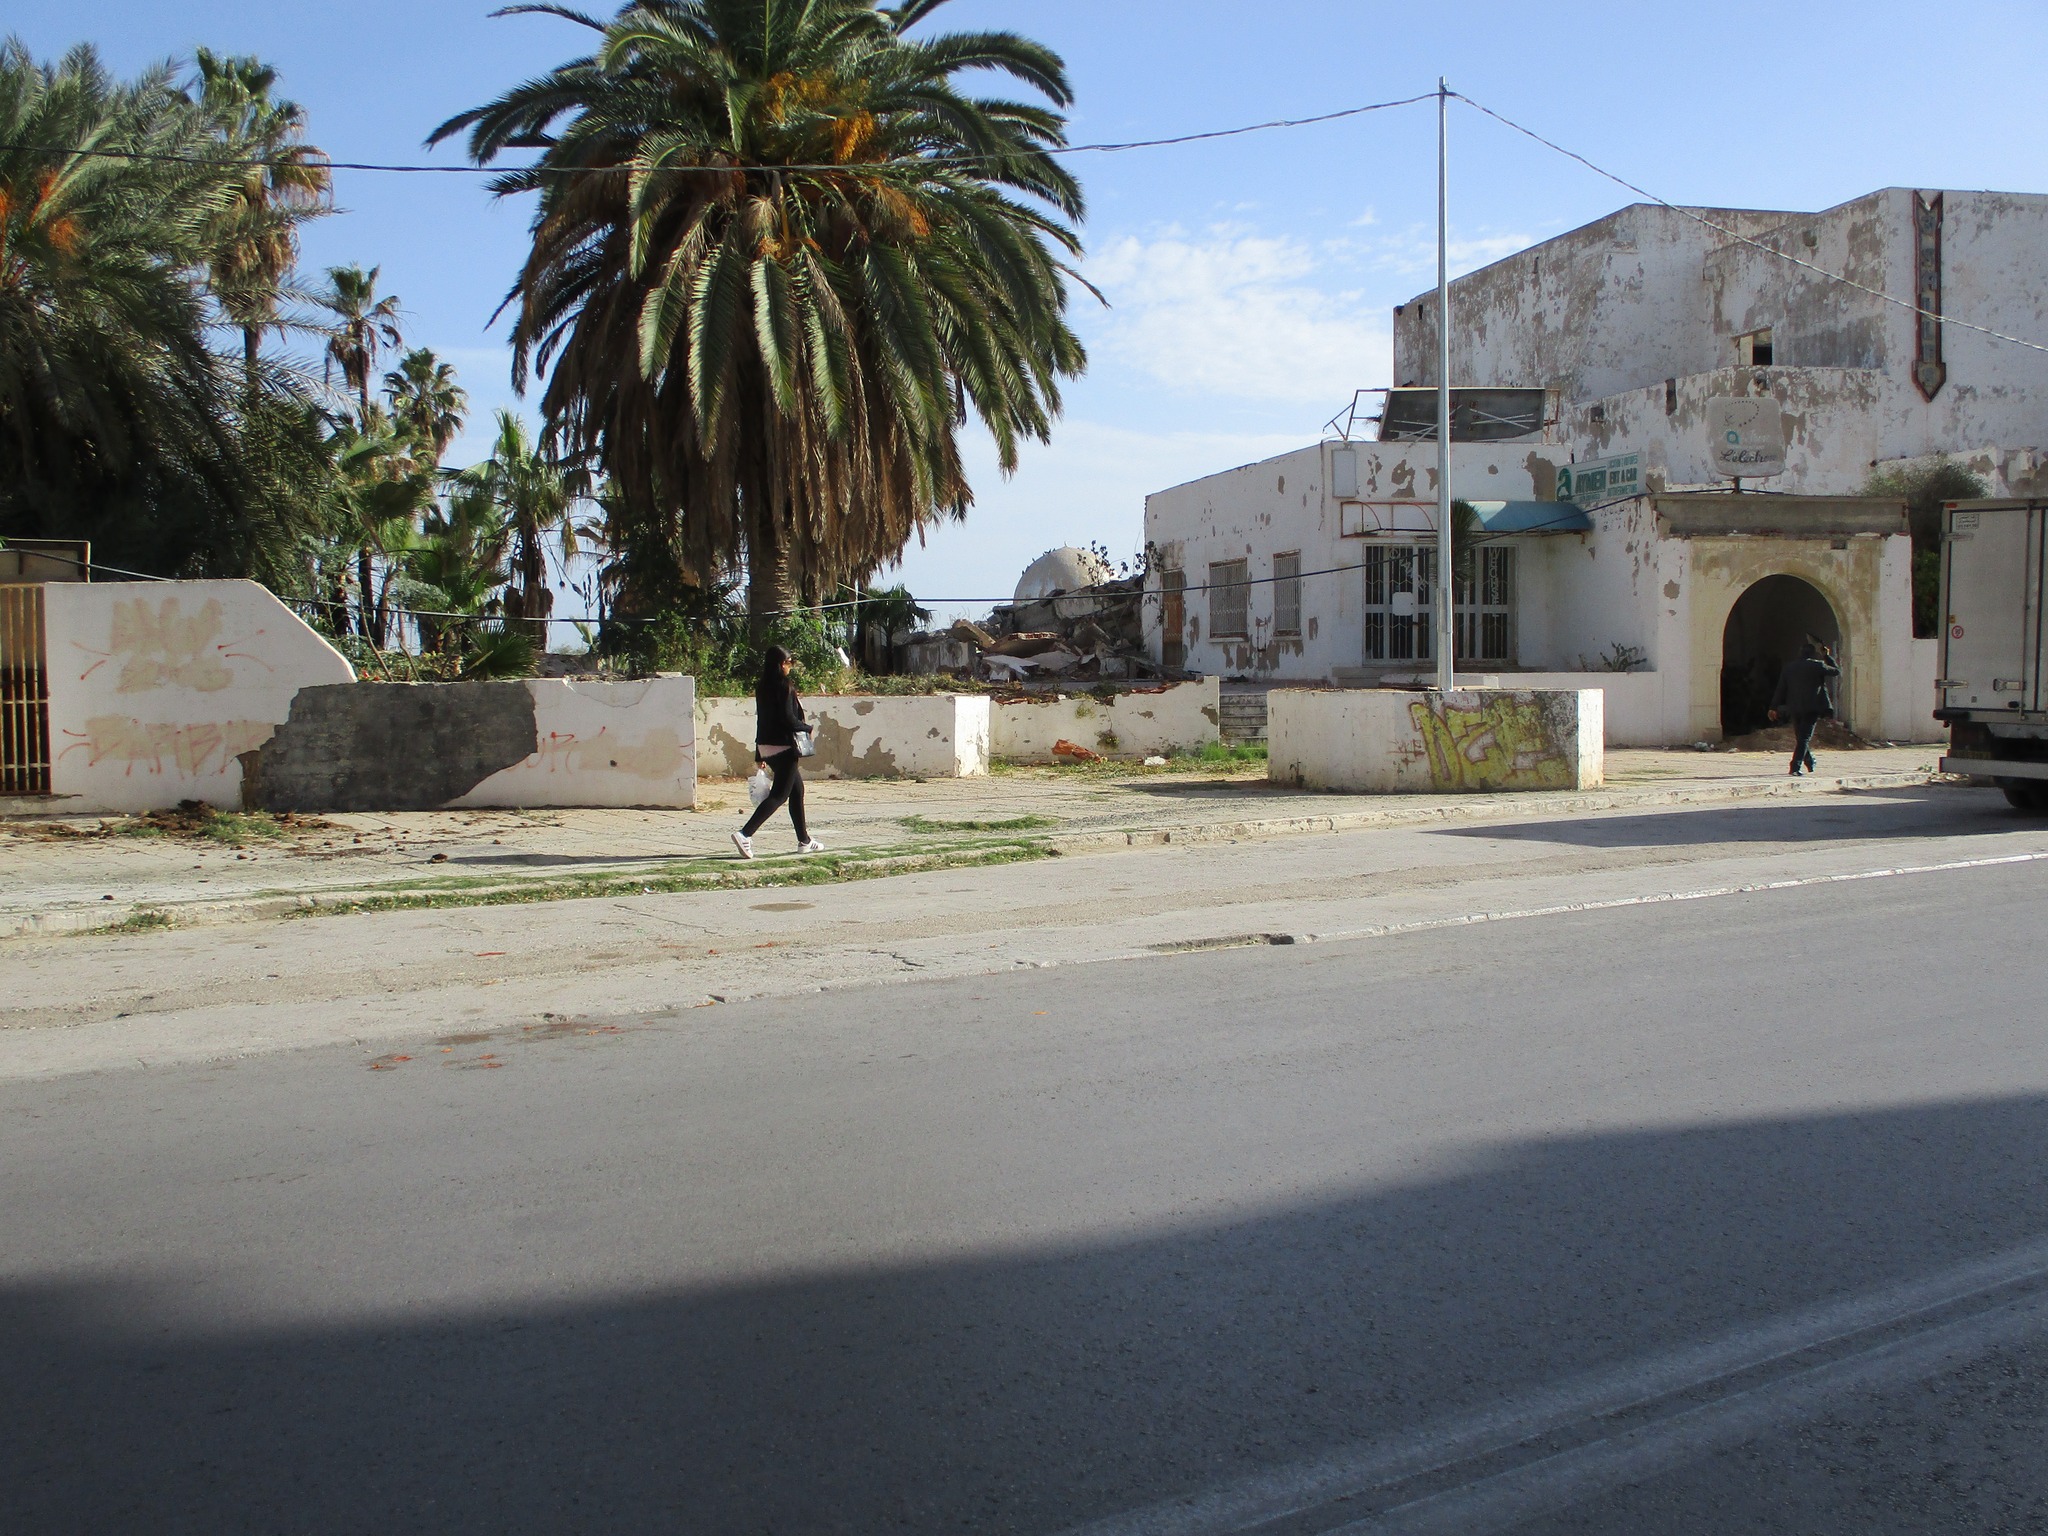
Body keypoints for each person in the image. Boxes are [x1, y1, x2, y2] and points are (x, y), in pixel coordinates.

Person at [733, 645, 824, 859]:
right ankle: (745, 834)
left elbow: (761, 720)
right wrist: (807, 728)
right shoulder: (784, 686)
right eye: (789, 662)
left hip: (767, 746)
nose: (790, 666)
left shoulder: (762, 687)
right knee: (780, 795)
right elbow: (788, 719)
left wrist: (759, 752)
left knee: (797, 790)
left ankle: (804, 841)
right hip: (784, 746)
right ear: (781, 664)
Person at [1768, 639, 1841, 776]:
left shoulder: (1789, 668)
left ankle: (1809, 761)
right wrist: (1826, 656)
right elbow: (1836, 671)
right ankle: (1795, 766)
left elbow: (1781, 689)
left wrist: (1773, 707)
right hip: (1812, 708)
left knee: (1801, 737)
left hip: (1794, 707)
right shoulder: (1818, 665)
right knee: (1804, 738)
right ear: (1813, 654)